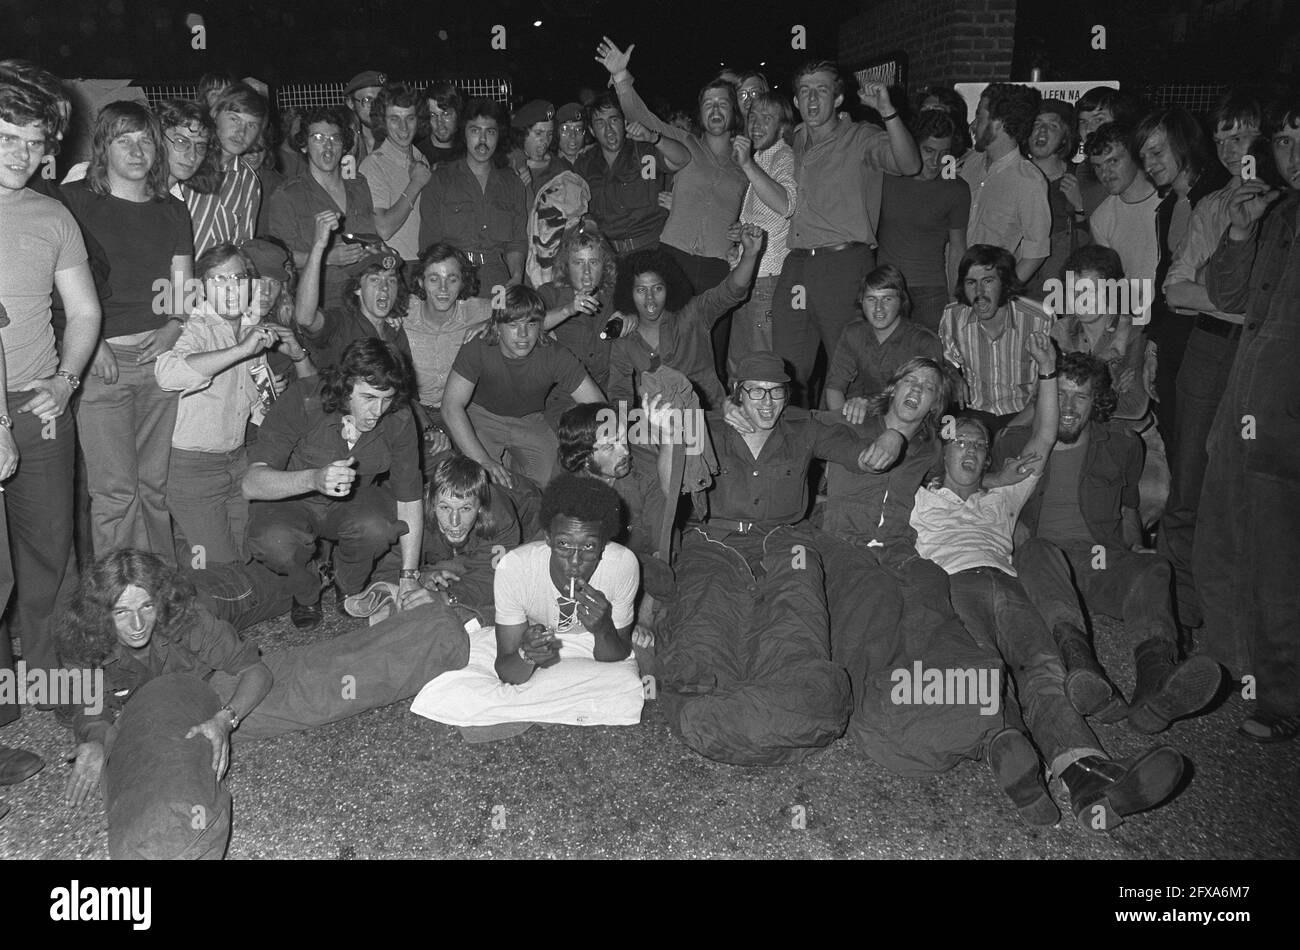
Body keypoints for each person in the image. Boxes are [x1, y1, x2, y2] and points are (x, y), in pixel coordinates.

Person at [912, 360, 1187, 831]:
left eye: (980, 445)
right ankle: (1007, 747)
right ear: (943, 451)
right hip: (952, 584)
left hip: (1008, 583)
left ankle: (1085, 774)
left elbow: (1044, 435)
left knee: (1044, 668)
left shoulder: (1003, 496)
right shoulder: (920, 498)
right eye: (961, 442)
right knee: (984, 671)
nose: (971, 450)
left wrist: (1045, 375)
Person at [60, 548, 470, 858]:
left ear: (159, 602)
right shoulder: (85, 637)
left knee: (293, 617)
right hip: (173, 698)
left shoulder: (184, 615)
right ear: (101, 613)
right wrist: (94, 740)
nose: (136, 624)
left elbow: (255, 671)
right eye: (122, 612)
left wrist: (226, 719)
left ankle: (434, 629)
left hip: (215, 614)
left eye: (145, 607)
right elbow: (87, 704)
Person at [996, 352, 1221, 733]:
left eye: (1080, 396)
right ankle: (1081, 664)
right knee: (1034, 550)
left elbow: (1128, 506)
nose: (1068, 407)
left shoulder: (1122, 443)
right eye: (1060, 394)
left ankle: (1156, 682)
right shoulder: (1016, 442)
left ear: (1096, 401)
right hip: (1043, 566)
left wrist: (1135, 548)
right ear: (1044, 396)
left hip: (1098, 559)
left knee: (1154, 566)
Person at [1198, 89, 1300, 741]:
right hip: (1245, 401)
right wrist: (1239, 230)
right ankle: (1237, 666)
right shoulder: (1277, 211)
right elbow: (1226, 293)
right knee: (1227, 539)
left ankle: (1282, 696)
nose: (1294, 156)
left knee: (1281, 560)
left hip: (1288, 415)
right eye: (1285, 141)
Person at [0, 75, 100, 698]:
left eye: (33, 142)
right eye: (7, 137)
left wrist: (66, 382)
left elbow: (85, 311)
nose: (21, 153)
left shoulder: (52, 215)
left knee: (50, 553)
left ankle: (50, 682)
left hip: (37, 405)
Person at [410, 474, 644, 738]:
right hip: (530, 631)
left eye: (589, 546)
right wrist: (527, 654)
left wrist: (603, 629)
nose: (575, 561)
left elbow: (616, 654)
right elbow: (507, 671)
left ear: (604, 544)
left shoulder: (621, 565)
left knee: (627, 683)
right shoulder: (516, 567)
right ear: (548, 538)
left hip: (591, 643)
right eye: (563, 544)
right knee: (457, 690)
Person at [63, 100, 194, 562]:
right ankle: (117, 592)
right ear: (104, 147)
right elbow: (58, 286)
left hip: (158, 361)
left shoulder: (172, 210)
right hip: (103, 365)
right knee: (115, 492)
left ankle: (161, 585)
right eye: (124, 140)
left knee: (154, 487)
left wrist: (174, 326)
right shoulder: (76, 203)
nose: (137, 151)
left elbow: (182, 287)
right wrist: (90, 343)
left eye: (145, 141)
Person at [1157, 89, 1263, 638]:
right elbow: (1176, 291)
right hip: (1209, 348)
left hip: (1263, 356)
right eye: (1221, 139)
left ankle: (1242, 611)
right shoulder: (1212, 206)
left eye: (1240, 136)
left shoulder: (1285, 207)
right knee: (1188, 483)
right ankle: (1179, 607)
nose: (1229, 150)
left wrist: (1218, 294)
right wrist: (1250, 303)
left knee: (1252, 482)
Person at [242, 338, 424, 630]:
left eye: (386, 398)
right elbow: (251, 484)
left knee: (378, 528)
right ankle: (307, 591)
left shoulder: (399, 416)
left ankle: (346, 583)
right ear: (346, 385)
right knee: (274, 542)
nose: (378, 410)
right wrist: (313, 478)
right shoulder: (304, 398)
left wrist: (409, 575)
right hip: (291, 501)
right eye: (368, 397)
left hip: (352, 502)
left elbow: (409, 497)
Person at [769, 60, 921, 406]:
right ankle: (792, 436)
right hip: (798, 264)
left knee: (845, 369)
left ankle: (842, 437)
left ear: (838, 99)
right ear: (795, 101)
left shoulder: (862, 137)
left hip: (843, 262)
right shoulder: (798, 138)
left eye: (821, 91)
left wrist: (888, 112)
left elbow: (910, 164)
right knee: (785, 368)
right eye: (805, 91)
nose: (812, 99)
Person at [598, 40, 750, 380]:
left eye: (723, 104)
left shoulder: (745, 164)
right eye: (708, 104)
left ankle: (710, 411)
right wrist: (621, 77)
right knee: (667, 348)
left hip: (716, 268)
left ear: (734, 113)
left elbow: (756, 211)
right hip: (675, 260)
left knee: (711, 352)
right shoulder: (686, 142)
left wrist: (741, 232)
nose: (715, 110)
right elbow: (642, 117)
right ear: (700, 112)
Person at [155, 243, 307, 566]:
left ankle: (183, 557)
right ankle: (169, 561)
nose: (230, 289)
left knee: (242, 555)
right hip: (192, 467)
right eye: (218, 280)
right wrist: (240, 351)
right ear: (202, 288)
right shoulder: (195, 325)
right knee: (220, 566)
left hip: (236, 462)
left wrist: (268, 395)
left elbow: (254, 404)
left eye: (237, 279)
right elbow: (167, 373)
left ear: (250, 283)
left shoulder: (252, 328)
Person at [442, 285, 604, 488]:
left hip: (529, 418)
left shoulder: (555, 355)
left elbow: (599, 406)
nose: (523, 334)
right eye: (513, 325)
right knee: (479, 481)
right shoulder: (478, 345)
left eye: (531, 324)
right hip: (482, 415)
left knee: (549, 481)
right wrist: (483, 460)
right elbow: (450, 406)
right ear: (496, 326)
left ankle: (511, 464)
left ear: (541, 325)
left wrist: (605, 447)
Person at [1135, 108, 1228, 453]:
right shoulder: (1169, 205)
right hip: (1174, 333)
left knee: (1203, 447)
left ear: (1184, 144)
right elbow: (1164, 281)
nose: (1149, 164)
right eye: (1143, 156)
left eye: (1157, 152)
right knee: (1174, 438)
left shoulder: (1219, 195)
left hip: (1211, 335)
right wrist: (1153, 346)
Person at [608, 225, 764, 412]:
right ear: (629, 293)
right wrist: (622, 425)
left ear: (669, 288)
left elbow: (731, 291)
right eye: (641, 290)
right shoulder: (625, 336)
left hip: (707, 416)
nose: (650, 298)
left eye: (657, 288)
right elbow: (620, 393)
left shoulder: (693, 314)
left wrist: (750, 254)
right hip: (657, 422)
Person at [267, 105, 375, 312]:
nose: (328, 145)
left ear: (344, 145)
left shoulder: (359, 185)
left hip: (365, 299)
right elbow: (280, 258)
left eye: (335, 138)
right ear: (304, 146)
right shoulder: (287, 195)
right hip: (320, 305)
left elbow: (372, 236)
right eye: (318, 138)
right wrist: (327, 257)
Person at [939, 244, 1053, 436]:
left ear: (1004, 283)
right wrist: (952, 374)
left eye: (988, 281)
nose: (979, 291)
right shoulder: (953, 316)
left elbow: (1049, 384)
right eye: (971, 283)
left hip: (1025, 413)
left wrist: (1010, 431)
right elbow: (947, 360)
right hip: (974, 412)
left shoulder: (1039, 319)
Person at [418, 98, 527, 294]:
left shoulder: (512, 184)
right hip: (452, 279)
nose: (483, 140)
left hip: (497, 281)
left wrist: (517, 277)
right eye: (475, 131)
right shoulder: (441, 180)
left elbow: (516, 242)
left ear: (499, 135)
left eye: (490, 132)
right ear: (464, 133)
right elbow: (429, 245)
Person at [875, 108, 970, 333]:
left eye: (944, 153)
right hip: (886, 287)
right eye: (928, 150)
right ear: (912, 145)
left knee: (930, 353)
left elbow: (958, 248)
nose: (936, 161)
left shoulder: (956, 189)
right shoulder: (885, 178)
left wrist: (954, 299)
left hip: (931, 292)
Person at [728, 90, 796, 378]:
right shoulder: (760, 157)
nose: (756, 124)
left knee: (760, 366)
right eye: (752, 117)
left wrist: (746, 164)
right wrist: (740, 233)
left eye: (767, 118)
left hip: (767, 281)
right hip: (747, 275)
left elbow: (786, 204)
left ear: (782, 127)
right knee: (738, 363)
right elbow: (765, 216)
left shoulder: (783, 155)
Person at [292, 210, 410, 373]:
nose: (385, 287)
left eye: (391, 280)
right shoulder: (341, 324)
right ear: (357, 288)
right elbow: (305, 318)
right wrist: (318, 247)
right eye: (375, 280)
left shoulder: (395, 332)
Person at [824, 265, 943, 424]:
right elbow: (834, 388)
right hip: (865, 415)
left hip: (908, 420)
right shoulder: (854, 333)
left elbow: (929, 402)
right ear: (861, 301)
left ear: (901, 301)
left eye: (887, 299)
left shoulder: (923, 341)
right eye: (871, 299)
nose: (878, 308)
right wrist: (844, 427)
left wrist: (872, 409)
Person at [961, 83, 1050, 284]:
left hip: (989, 289)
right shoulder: (970, 164)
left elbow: (1036, 252)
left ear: (998, 123)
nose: (973, 125)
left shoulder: (1029, 181)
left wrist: (1002, 291)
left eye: (979, 117)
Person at [401, 242, 492, 418]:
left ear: (463, 282)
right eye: (434, 279)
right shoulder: (403, 310)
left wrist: (493, 322)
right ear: (421, 282)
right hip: (411, 411)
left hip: (463, 410)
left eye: (452, 279)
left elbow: (529, 315)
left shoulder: (476, 310)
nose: (443, 288)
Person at [572, 92, 668, 255]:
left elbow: (682, 159)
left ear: (624, 123)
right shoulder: (584, 163)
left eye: (614, 120)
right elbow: (579, 208)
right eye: (600, 123)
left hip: (650, 249)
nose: (609, 128)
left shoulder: (644, 151)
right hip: (609, 254)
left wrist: (654, 138)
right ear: (592, 131)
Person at [1085, 123, 1158, 323]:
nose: (1105, 173)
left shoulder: (1169, 201)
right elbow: (1112, 280)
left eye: (1113, 161)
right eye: (1098, 166)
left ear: (1136, 156)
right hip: (1134, 320)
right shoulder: (1101, 217)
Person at [186, 82, 267, 257]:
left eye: (251, 125)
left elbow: (241, 246)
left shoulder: (249, 183)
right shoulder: (186, 161)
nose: (241, 132)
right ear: (215, 114)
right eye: (234, 119)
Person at [359, 82, 433, 265]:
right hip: (394, 266)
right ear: (382, 122)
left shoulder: (421, 157)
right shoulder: (373, 165)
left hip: (425, 262)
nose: (403, 127)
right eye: (394, 119)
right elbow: (383, 228)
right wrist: (415, 184)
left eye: (410, 118)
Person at [1028, 99, 1088, 300]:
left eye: (1052, 125)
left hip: (1065, 291)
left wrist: (1079, 206)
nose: (1042, 131)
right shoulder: (1014, 176)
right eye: (1036, 124)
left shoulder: (1081, 177)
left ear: (1065, 137)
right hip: (1021, 288)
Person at [509, 99, 565, 203]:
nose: (545, 140)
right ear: (522, 133)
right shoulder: (509, 166)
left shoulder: (559, 167)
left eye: (550, 134)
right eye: (539, 133)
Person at [415, 81, 462, 167]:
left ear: (458, 114)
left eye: (446, 114)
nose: (439, 122)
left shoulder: (470, 153)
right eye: (433, 115)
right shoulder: (417, 156)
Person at [344, 70, 385, 165]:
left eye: (380, 99)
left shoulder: (397, 138)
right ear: (350, 103)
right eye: (367, 100)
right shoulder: (344, 142)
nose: (375, 106)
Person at [555, 102, 589, 167]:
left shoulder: (595, 161)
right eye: (565, 129)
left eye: (578, 129)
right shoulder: (549, 164)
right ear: (557, 133)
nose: (573, 135)